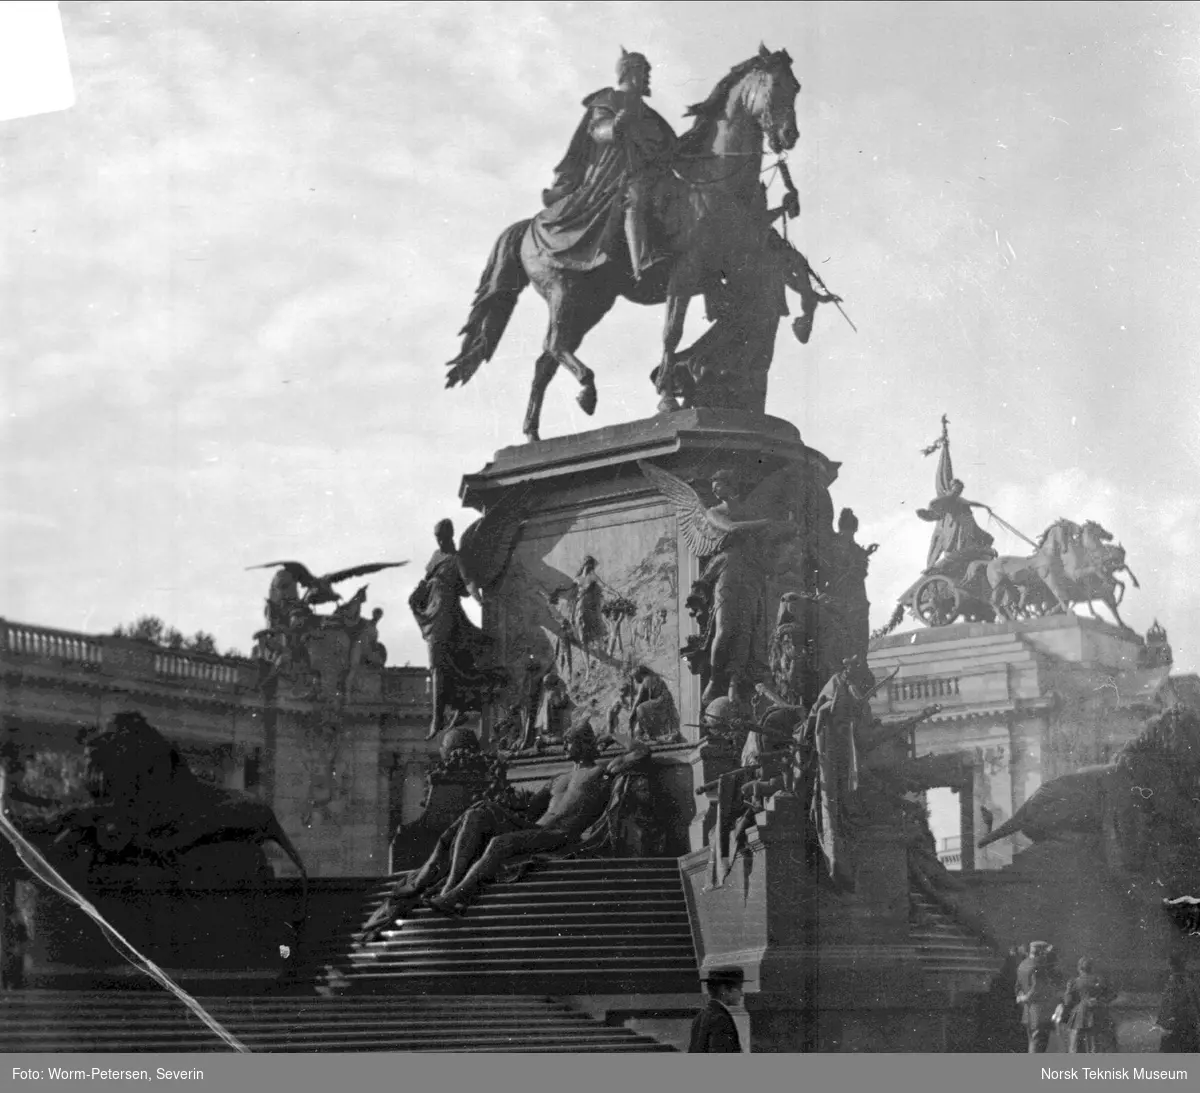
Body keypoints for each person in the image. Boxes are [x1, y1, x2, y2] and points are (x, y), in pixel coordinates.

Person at [363, 724, 650, 922]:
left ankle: (457, 894)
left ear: (587, 743)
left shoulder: (602, 771)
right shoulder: (557, 780)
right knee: (478, 812)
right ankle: (449, 886)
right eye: (565, 740)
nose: (565, 744)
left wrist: (612, 734)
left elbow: (642, 752)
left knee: (501, 842)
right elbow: (523, 806)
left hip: (561, 835)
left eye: (571, 740)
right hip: (536, 828)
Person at [533, 50, 676, 281]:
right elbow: (598, 129)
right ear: (629, 72)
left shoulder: (651, 114)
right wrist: (617, 125)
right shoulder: (608, 99)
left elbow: (670, 146)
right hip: (616, 175)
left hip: (652, 174)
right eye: (644, 71)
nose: (648, 76)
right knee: (635, 199)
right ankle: (642, 261)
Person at [410, 519, 493, 740]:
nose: (439, 540)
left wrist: (479, 600)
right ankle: (458, 707)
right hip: (432, 610)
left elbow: (469, 583)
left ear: (450, 535)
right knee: (443, 661)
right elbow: (426, 580)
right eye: (436, 536)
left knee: (438, 662)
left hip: (447, 612)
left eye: (443, 536)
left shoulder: (458, 558)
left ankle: (437, 718)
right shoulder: (435, 556)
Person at [1061, 956, 1118, 1053]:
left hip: (1079, 1017)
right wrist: (1100, 1001)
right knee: (1096, 1045)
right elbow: (1112, 995)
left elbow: (1067, 1001)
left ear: (1079, 968)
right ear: (1092, 968)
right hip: (1098, 1015)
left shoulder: (1074, 982)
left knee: (1077, 1047)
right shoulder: (1099, 981)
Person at [1016, 940, 1062, 1053]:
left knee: (1032, 1042)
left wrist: (1021, 998)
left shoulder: (1022, 965)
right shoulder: (1038, 967)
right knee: (1038, 1046)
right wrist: (1027, 997)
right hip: (1040, 1013)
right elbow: (1037, 989)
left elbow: (1017, 987)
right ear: (1041, 953)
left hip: (1027, 1011)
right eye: (1045, 954)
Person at [688, 967, 744, 1053]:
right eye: (739, 988)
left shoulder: (701, 1015)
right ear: (724, 990)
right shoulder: (720, 1019)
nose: (742, 993)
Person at [1156, 952, 1200, 1053]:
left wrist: (1162, 1020)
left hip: (1176, 1025)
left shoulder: (1172, 983)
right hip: (1187, 1024)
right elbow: (1196, 1003)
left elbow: (1166, 1004)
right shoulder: (1188, 983)